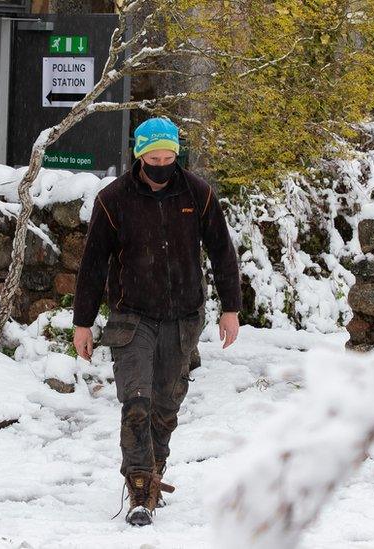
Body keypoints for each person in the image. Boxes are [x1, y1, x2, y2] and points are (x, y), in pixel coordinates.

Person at [71, 117, 242, 526]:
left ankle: (155, 468)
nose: (163, 163)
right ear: (139, 156)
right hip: (132, 317)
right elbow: (94, 263)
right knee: (137, 403)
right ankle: (140, 489)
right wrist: (83, 321)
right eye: (154, 157)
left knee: (165, 408)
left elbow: (222, 251)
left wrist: (231, 308)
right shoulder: (114, 199)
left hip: (183, 317)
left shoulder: (197, 194)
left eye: (169, 156)